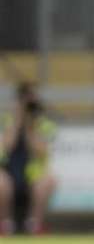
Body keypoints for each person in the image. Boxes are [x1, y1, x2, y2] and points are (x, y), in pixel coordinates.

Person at [1, 81, 58, 235]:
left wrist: (29, 127)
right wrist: (17, 120)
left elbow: (41, 151)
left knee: (47, 181)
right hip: (8, 171)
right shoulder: (6, 120)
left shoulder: (44, 123)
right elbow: (6, 147)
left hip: (33, 174)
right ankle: (4, 224)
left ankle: (34, 224)